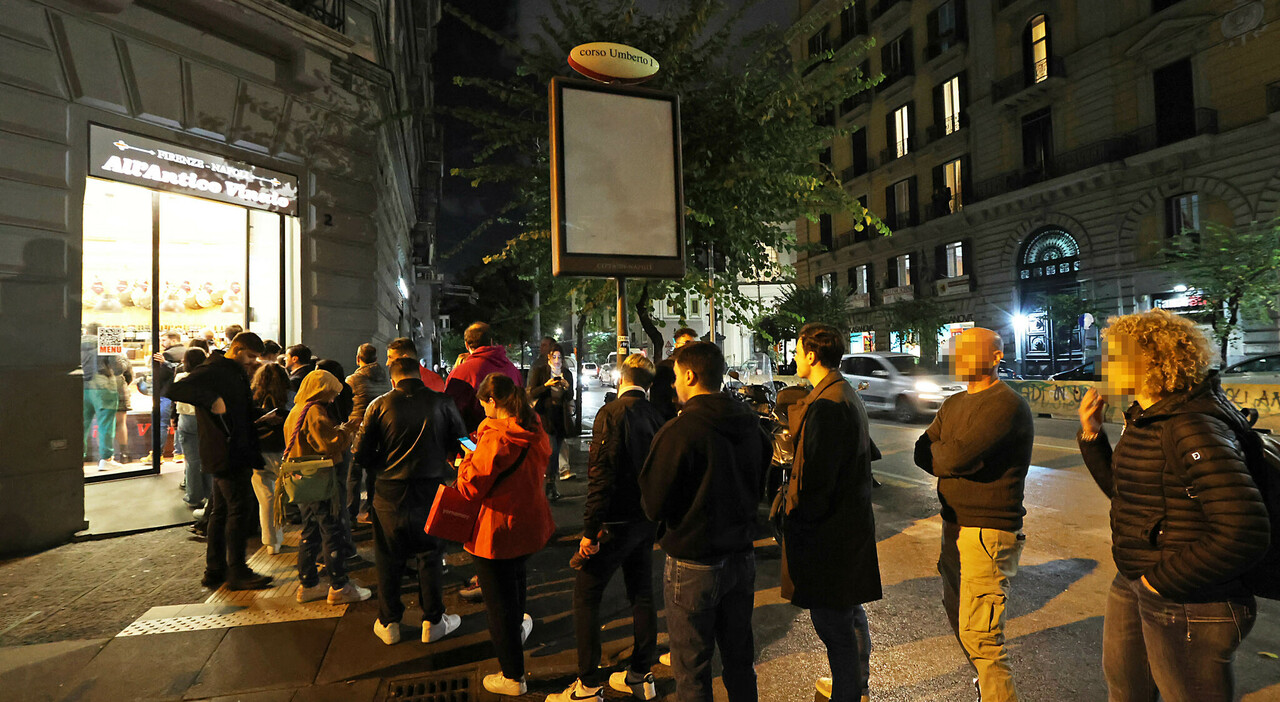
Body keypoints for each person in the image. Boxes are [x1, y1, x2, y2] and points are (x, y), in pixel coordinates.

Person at [1076, 310, 1269, 702]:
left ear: (1150, 360)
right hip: (1139, 580)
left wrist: (1158, 583)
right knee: (1126, 692)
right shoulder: (1150, 417)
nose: (1103, 366)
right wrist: (1092, 436)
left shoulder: (1191, 424)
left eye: (1113, 357)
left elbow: (1244, 531)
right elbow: (1129, 496)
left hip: (1190, 599)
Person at [639, 341, 770, 702]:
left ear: (691, 376)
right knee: (740, 661)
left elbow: (653, 504)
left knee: (693, 672)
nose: (674, 386)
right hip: (742, 558)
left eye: (678, 377)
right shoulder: (751, 424)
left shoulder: (679, 432)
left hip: (693, 564)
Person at [913, 328, 1033, 702]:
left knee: (982, 635)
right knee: (962, 621)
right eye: (956, 350)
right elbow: (922, 449)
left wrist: (946, 455)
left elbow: (955, 457)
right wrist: (946, 456)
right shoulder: (954, 404)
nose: (957, 357)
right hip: (954, 525)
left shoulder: (1005, 405)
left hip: (987, 531)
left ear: (996, 357)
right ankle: (987, 688)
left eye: (967, 351)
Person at [549, 354, 665, 702]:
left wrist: (589, 530)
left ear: (621, 377)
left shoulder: (612, 414)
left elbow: (601, 475)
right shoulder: (656, 416)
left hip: (614, 523)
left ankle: (586, 685)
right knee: (642, 593)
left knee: (586, 595)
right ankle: (641, 674)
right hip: (644, 521)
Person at [781, 324, 881, 702]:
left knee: (834, 626)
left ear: (811, 355)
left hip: (830, 537)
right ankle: (855, 685)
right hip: (848, 529)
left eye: (797, 350)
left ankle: (848, 691)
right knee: (848, 616)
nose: (794, 357)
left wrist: (798, 521)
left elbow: (816, 483)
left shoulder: (828, 404)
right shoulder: (842, 393)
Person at [356, 357, 468, 645]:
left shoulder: (378, 405)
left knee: (388, 556)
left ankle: (389, 621)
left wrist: (384, 462)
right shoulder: (442, 402)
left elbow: (362, 455)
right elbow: (464, 442)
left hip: (389, 491)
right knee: (430, 554)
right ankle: (432, 619)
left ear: (393, 380)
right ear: (420, 375)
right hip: (430, 487)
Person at [457, 372, 555, 696]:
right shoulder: (534, 427)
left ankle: (512, 676)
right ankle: (518, 630)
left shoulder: (496, 438)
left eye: (482, 402)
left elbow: (471, 486)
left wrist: (464, 461)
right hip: (529, 521)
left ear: (492, 401)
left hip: (496, 529)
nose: (481, 408)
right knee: (516, 582)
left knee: (498, 605)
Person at [169, 331, 274, 590]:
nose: (253, 362)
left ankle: (215, 569)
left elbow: (238, 407)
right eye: (250, 356)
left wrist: (261, 416)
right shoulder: (214, 369)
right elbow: (174, 388)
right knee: (239, 508)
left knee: (221, 511)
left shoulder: (232, 370)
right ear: (237, 349)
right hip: (226, 450)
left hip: (229, 447)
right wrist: (211, 399)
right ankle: (237, 570)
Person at [284, 369, 371, 605]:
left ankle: (309, 583)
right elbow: (328, 443)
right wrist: (347, 431)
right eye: (331, 394)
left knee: (310, 530)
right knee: (332, 530)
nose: (332, 399)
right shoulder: (314, 412)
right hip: (321, 480)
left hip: (303, 480)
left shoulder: (296, 411)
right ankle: (339, 587)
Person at [445, 322, 524, 431]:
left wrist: (466, 444)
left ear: (467, 345)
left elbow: (450, 414)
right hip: (513, 437)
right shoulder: (512, 369)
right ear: (491, 342)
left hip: (477, 441)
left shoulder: (461, 373)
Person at [348, 343, 393, 522]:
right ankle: (373, 511)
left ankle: (350, 514)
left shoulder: (353, 380)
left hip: (357, 430)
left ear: (358, 359)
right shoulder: (385, 378)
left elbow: (345, 402)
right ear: (376, 358)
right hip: (380, 429)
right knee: (374, 473)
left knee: (353, 472)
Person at [250, 362, 291, 554]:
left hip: (259, 450)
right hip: (283, 449)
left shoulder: (254, 398)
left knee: (266, 497)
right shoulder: (289, 397)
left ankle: (271, 541)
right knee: (287, 494)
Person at [527, 342, 575, 500]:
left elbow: (570, 397)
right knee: (552, 450)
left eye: (559, 357)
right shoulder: (541, 371)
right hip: (545, 416)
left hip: (560, 416)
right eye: (554, 356)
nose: (557, 360)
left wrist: (566, 388)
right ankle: (549, 484)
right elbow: (532, 392)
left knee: (556, 448)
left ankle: (551, 484)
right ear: (549, 357)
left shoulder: (566, 373)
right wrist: (546, 385)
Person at [177, 347, 210, 510]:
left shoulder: (181, 377)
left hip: (186, 420)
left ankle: (193, 497)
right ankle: (211, 495)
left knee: (192, 461)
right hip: (205, 419)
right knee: (209, 458)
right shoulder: (210, 378)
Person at [650, 327, 698, 422]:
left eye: (693, 344)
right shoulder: (665, 367)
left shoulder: (696, 366)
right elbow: (659, 400)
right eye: (687, 343)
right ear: (676, 345)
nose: (690, 347)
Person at [151, 330, 185, 462]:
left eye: (164, 340)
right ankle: (179, 453)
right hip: (180, 394)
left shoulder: (167, 354)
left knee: (162, 424)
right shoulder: (186, 352)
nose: (162, 343)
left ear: (174, 340)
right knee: (178, 423)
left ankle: (157, 454)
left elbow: (162, 376)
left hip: (166, 393)